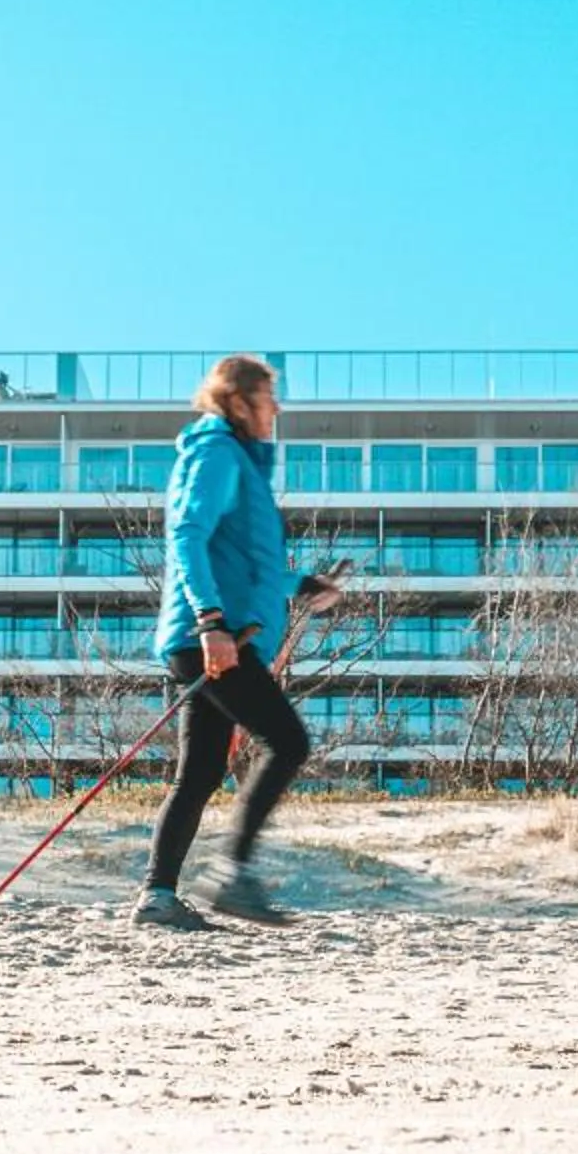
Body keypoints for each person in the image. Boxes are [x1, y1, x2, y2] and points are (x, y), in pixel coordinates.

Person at [135, 353, 343, 930]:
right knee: (288, 741)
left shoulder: (243, 466)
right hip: (212, 637)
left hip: (220, 635)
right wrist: (209, 622)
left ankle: (158, 897)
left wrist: (302, 584)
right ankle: (233, 874)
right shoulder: (217, 452)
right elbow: (187, 533)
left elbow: (248, 562)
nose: (276, 408)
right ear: (240, 401)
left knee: (200, 772)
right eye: (268, 397)